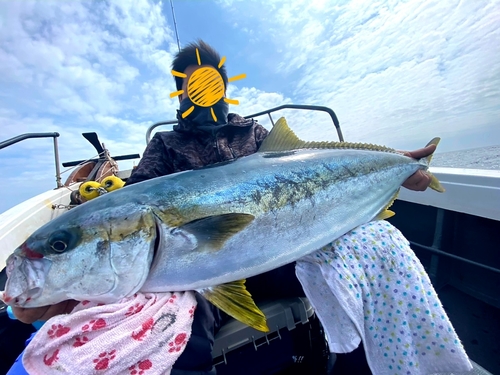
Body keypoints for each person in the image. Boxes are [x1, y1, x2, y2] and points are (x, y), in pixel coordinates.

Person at [10, 40, 435, 374]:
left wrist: (397, 166)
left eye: (208, 82)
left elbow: (304, 167)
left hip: (276, 254)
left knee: (357, 276)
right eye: (189, 86)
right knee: (181, 339)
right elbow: (136, 194)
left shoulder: (253, 134)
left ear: (223, 86)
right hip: (196, 272)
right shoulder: (165, 145)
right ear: (179, 93)